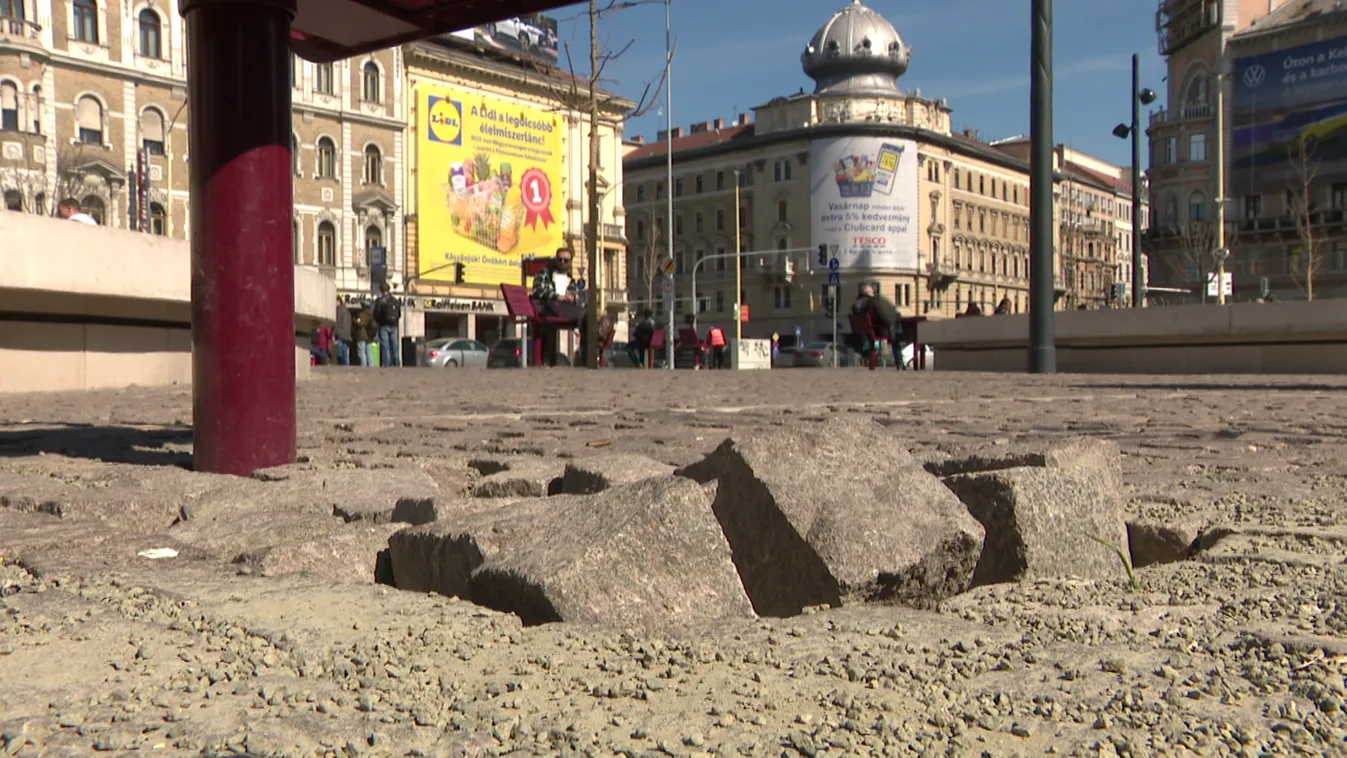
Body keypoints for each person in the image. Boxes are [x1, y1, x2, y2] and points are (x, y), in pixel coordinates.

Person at [531, 247, 582, 366]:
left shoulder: (572, 281)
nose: (562, 263)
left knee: (588, 316)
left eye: (566, 260)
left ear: (570, 262)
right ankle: (546, 360)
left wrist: (573, 298)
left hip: (567, 309)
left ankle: (589, 355)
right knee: (551, 316)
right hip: (550, 307)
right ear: (555, 260)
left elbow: (579, 299)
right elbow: (538, 290)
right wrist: (557, 297)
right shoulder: (544, 273)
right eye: (560, 260)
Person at [851, 284, 899, 370]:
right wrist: (890, 322)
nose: (874, 293)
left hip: (867, 330)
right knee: (897, 333)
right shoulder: (872, 302)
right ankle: (900, 364)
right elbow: (882, 315)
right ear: (869, 293)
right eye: (873, 292)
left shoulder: (856, 304)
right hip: (877, 330)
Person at [373, 282, 401, 367]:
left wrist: (378, 321)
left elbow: (376, 314)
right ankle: (397, 364)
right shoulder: (395, 300)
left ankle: (387, 365)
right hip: (394, 326)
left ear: (381, 290)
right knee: (395, 347)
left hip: (384, 326)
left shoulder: (380, 300)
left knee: (386, 347)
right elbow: (399, 314)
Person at [333, 296, 353, 366]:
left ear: (338, 301)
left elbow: (336, 322)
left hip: (340, 333)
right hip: (347, 334)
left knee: (340, 353)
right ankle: (346, 366)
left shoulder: (338, 310)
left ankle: (341, 366)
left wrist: (333, 333)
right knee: (345, 352)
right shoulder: (347, 311)